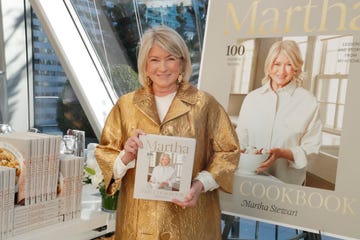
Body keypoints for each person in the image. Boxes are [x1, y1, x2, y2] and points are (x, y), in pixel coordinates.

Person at [95, 25, 240, 240]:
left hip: (191, 221)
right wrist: (127, 155)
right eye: (154, 59)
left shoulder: (204, 105)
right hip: (139, 223)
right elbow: (106, 153)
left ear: (182, 63)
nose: (162, 67)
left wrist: (199, 185)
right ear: (145, 65)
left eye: (170, 58)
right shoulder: (126, 106)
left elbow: (228, 152)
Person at [236, 40, 322, 185]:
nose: (281, 71)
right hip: (249, 181)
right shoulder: (252, 99)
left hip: (287, 185)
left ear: (296, 67)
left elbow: (312, 150)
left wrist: (282, 153)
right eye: (277, 64)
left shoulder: (309, 102)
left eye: (289, 65)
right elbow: (240, 141)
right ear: (269, 65)